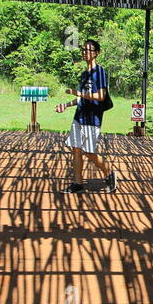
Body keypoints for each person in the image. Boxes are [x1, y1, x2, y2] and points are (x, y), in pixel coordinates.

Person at [55, 39, 115, 193]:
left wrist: (79, 93)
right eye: (83, 49)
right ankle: (78, 183)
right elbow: (83, 97)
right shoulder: (83, 75)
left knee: (89, 151)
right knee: (76, 149)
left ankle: (110, 175)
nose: (85, 52)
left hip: (92, 118)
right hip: (79, 116)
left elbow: (101, 96)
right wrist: (66, 105)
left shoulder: (99, 72)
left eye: (89, 50)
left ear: (96, 53)